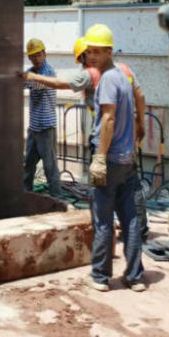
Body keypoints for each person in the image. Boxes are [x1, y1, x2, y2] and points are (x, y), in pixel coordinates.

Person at [25, 36, 150, 239]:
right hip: (128, 135)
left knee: (100, 189)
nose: (85, 62)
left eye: (85, 57)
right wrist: (141, 124)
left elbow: (59, 83)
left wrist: (32, 77)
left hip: (105, 139)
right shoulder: (124, 69)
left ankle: (102, 232)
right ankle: (139, 231)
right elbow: (141, 96)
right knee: (130, 185)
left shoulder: (91, 74)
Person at [85, 23, 145, 292]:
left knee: (103, 219)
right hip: (126, 160)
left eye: (97, 52)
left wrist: (99, 157)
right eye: (89, 51)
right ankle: (135, 277)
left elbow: (108, 118)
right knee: (130, 220)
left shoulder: (109, 78)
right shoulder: (123, 75)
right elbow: (138, 102)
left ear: (109, 51)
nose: (92, 56)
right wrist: (140, 129)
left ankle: (100, 277)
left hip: (109, 161)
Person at [22, 38, 63, 199]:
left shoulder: (48, 72)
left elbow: (38, 85)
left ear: (45, 54)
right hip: (34, 127)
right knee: (28, 164)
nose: (37, 59)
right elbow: (24, 83)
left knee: (49, 166)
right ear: (29, 58)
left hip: (46, 128)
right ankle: (25, 193)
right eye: (33, 56)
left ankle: (56, 198)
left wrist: (25, 79)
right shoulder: (32, 71)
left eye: (39, 55)